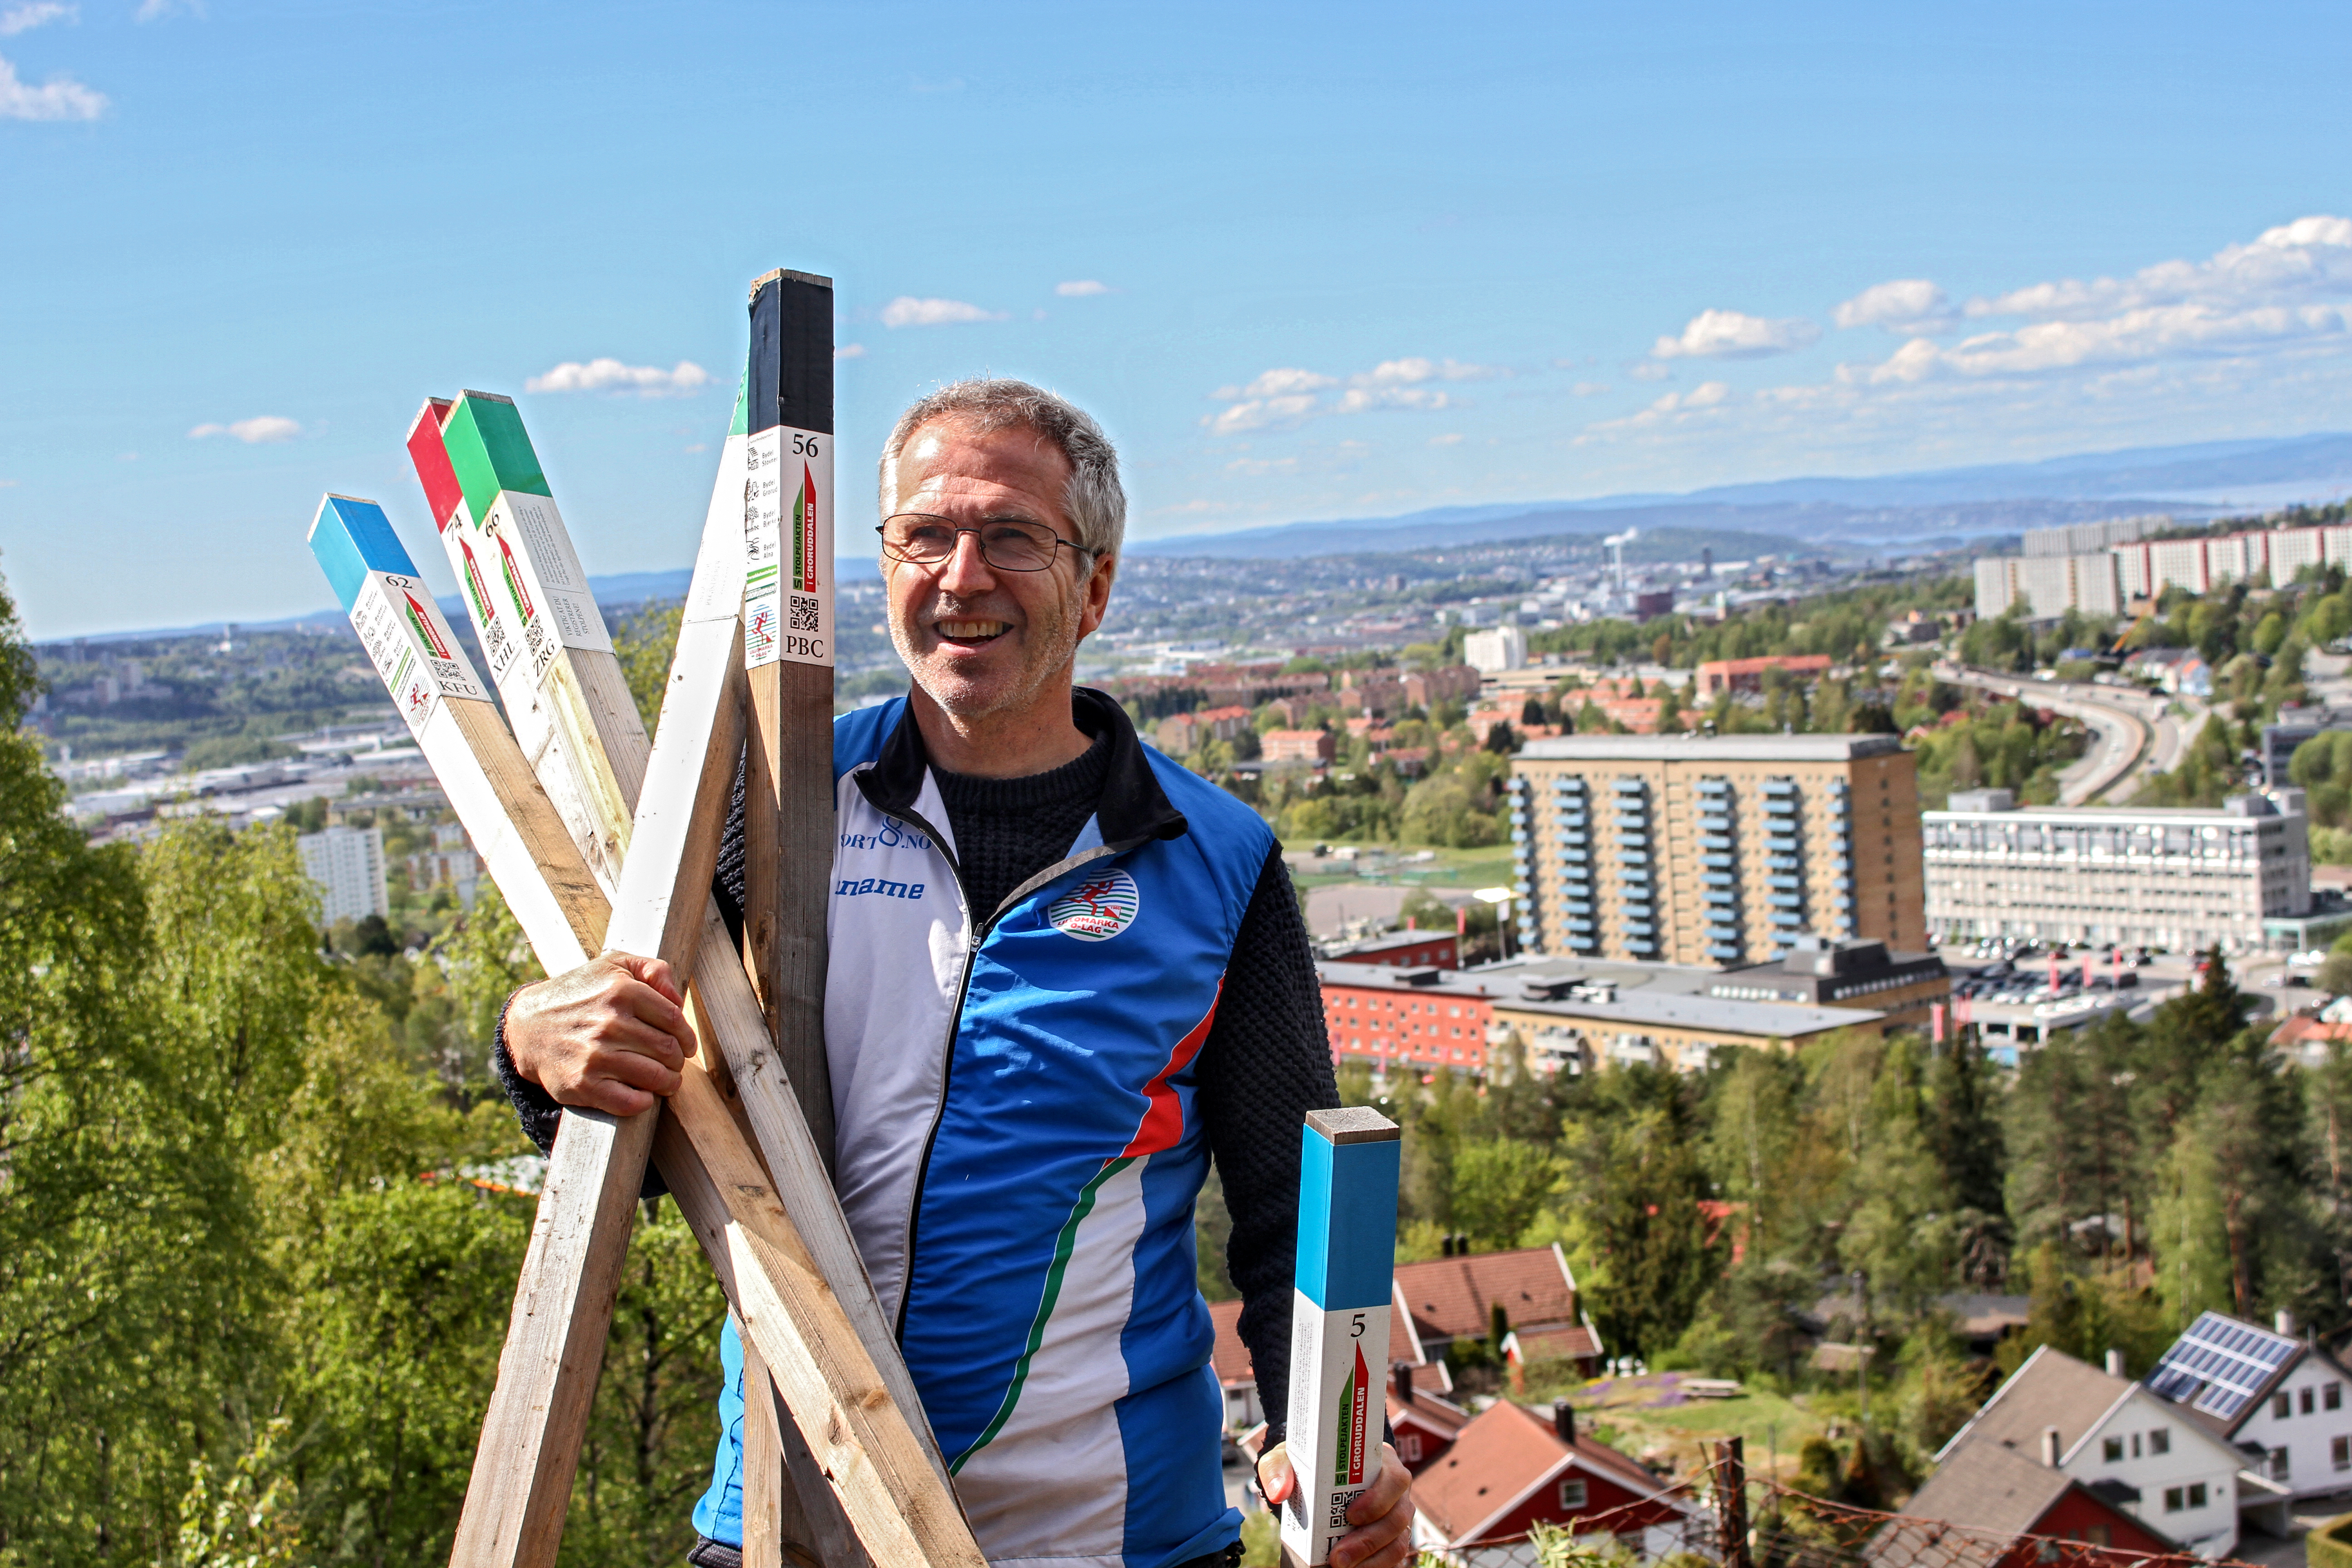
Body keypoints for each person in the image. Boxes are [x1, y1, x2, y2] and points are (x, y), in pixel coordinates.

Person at [494, 380, 1414, 1568]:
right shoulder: (769, 808)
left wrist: (1335, 1451)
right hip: (792, 1520)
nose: (963, 576)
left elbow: (1294, 1223)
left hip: (1114, 1543)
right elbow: (665, 1124)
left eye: (1013, 537)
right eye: (926, 535)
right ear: (883, 566)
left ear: (1096, 584)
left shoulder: (1216, 865)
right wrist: (533, 1044)